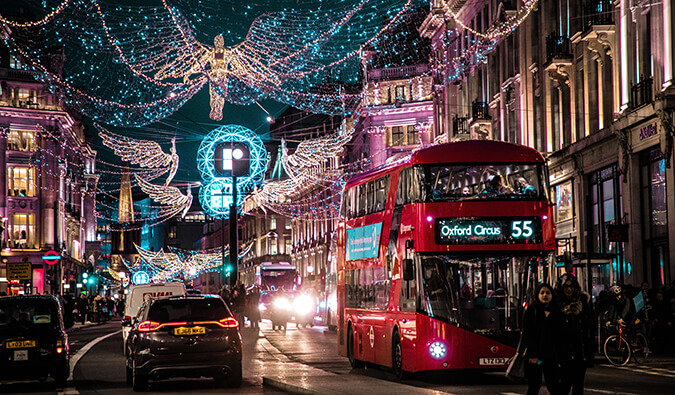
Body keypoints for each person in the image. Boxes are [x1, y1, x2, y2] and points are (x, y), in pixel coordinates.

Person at [520, 283, 568, 395]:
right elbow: (528, 334)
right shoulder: (532, 311)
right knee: (534, 385)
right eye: (542, 293)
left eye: (547, 293)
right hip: (536, 357)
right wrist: (532, 355)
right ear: (537, 295)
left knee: (554, 386)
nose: (545, 295)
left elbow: (561, 335)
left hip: (552, 357)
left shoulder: (557, 312)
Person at [556, 274, 593, 395]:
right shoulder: (557, 302)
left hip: (579, 350)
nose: (569, 289)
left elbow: (589, 323)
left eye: (571, 286)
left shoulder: (582, 300)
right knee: (564, 384)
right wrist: (563, 313)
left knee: (578, 385)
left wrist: (579, 314)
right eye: (566, 286)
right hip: (563, 350)